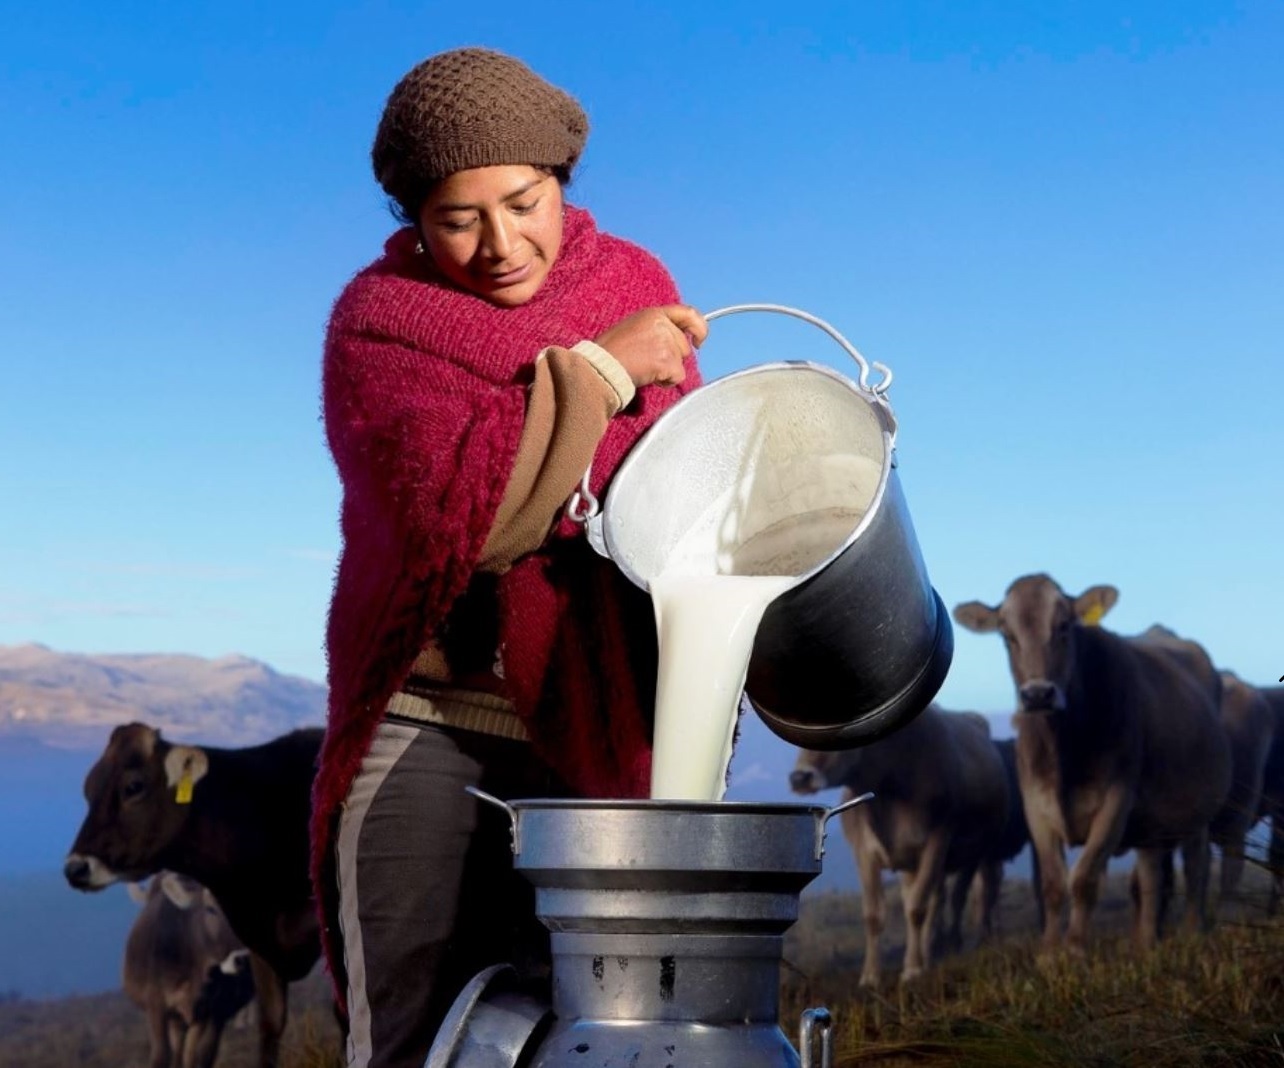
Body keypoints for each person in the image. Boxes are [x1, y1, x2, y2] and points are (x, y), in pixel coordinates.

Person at [309, 46, 708, 1068]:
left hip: (597, 723)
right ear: (413, 217)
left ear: (560, 181)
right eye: (458, 218)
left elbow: (694, 497)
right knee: (408, 1036)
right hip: (427, 722)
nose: (499, 244)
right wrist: (603, 373)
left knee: (598, 1034)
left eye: (524, 203)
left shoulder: (631, 285)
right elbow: (462, 522)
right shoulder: (377, 329)